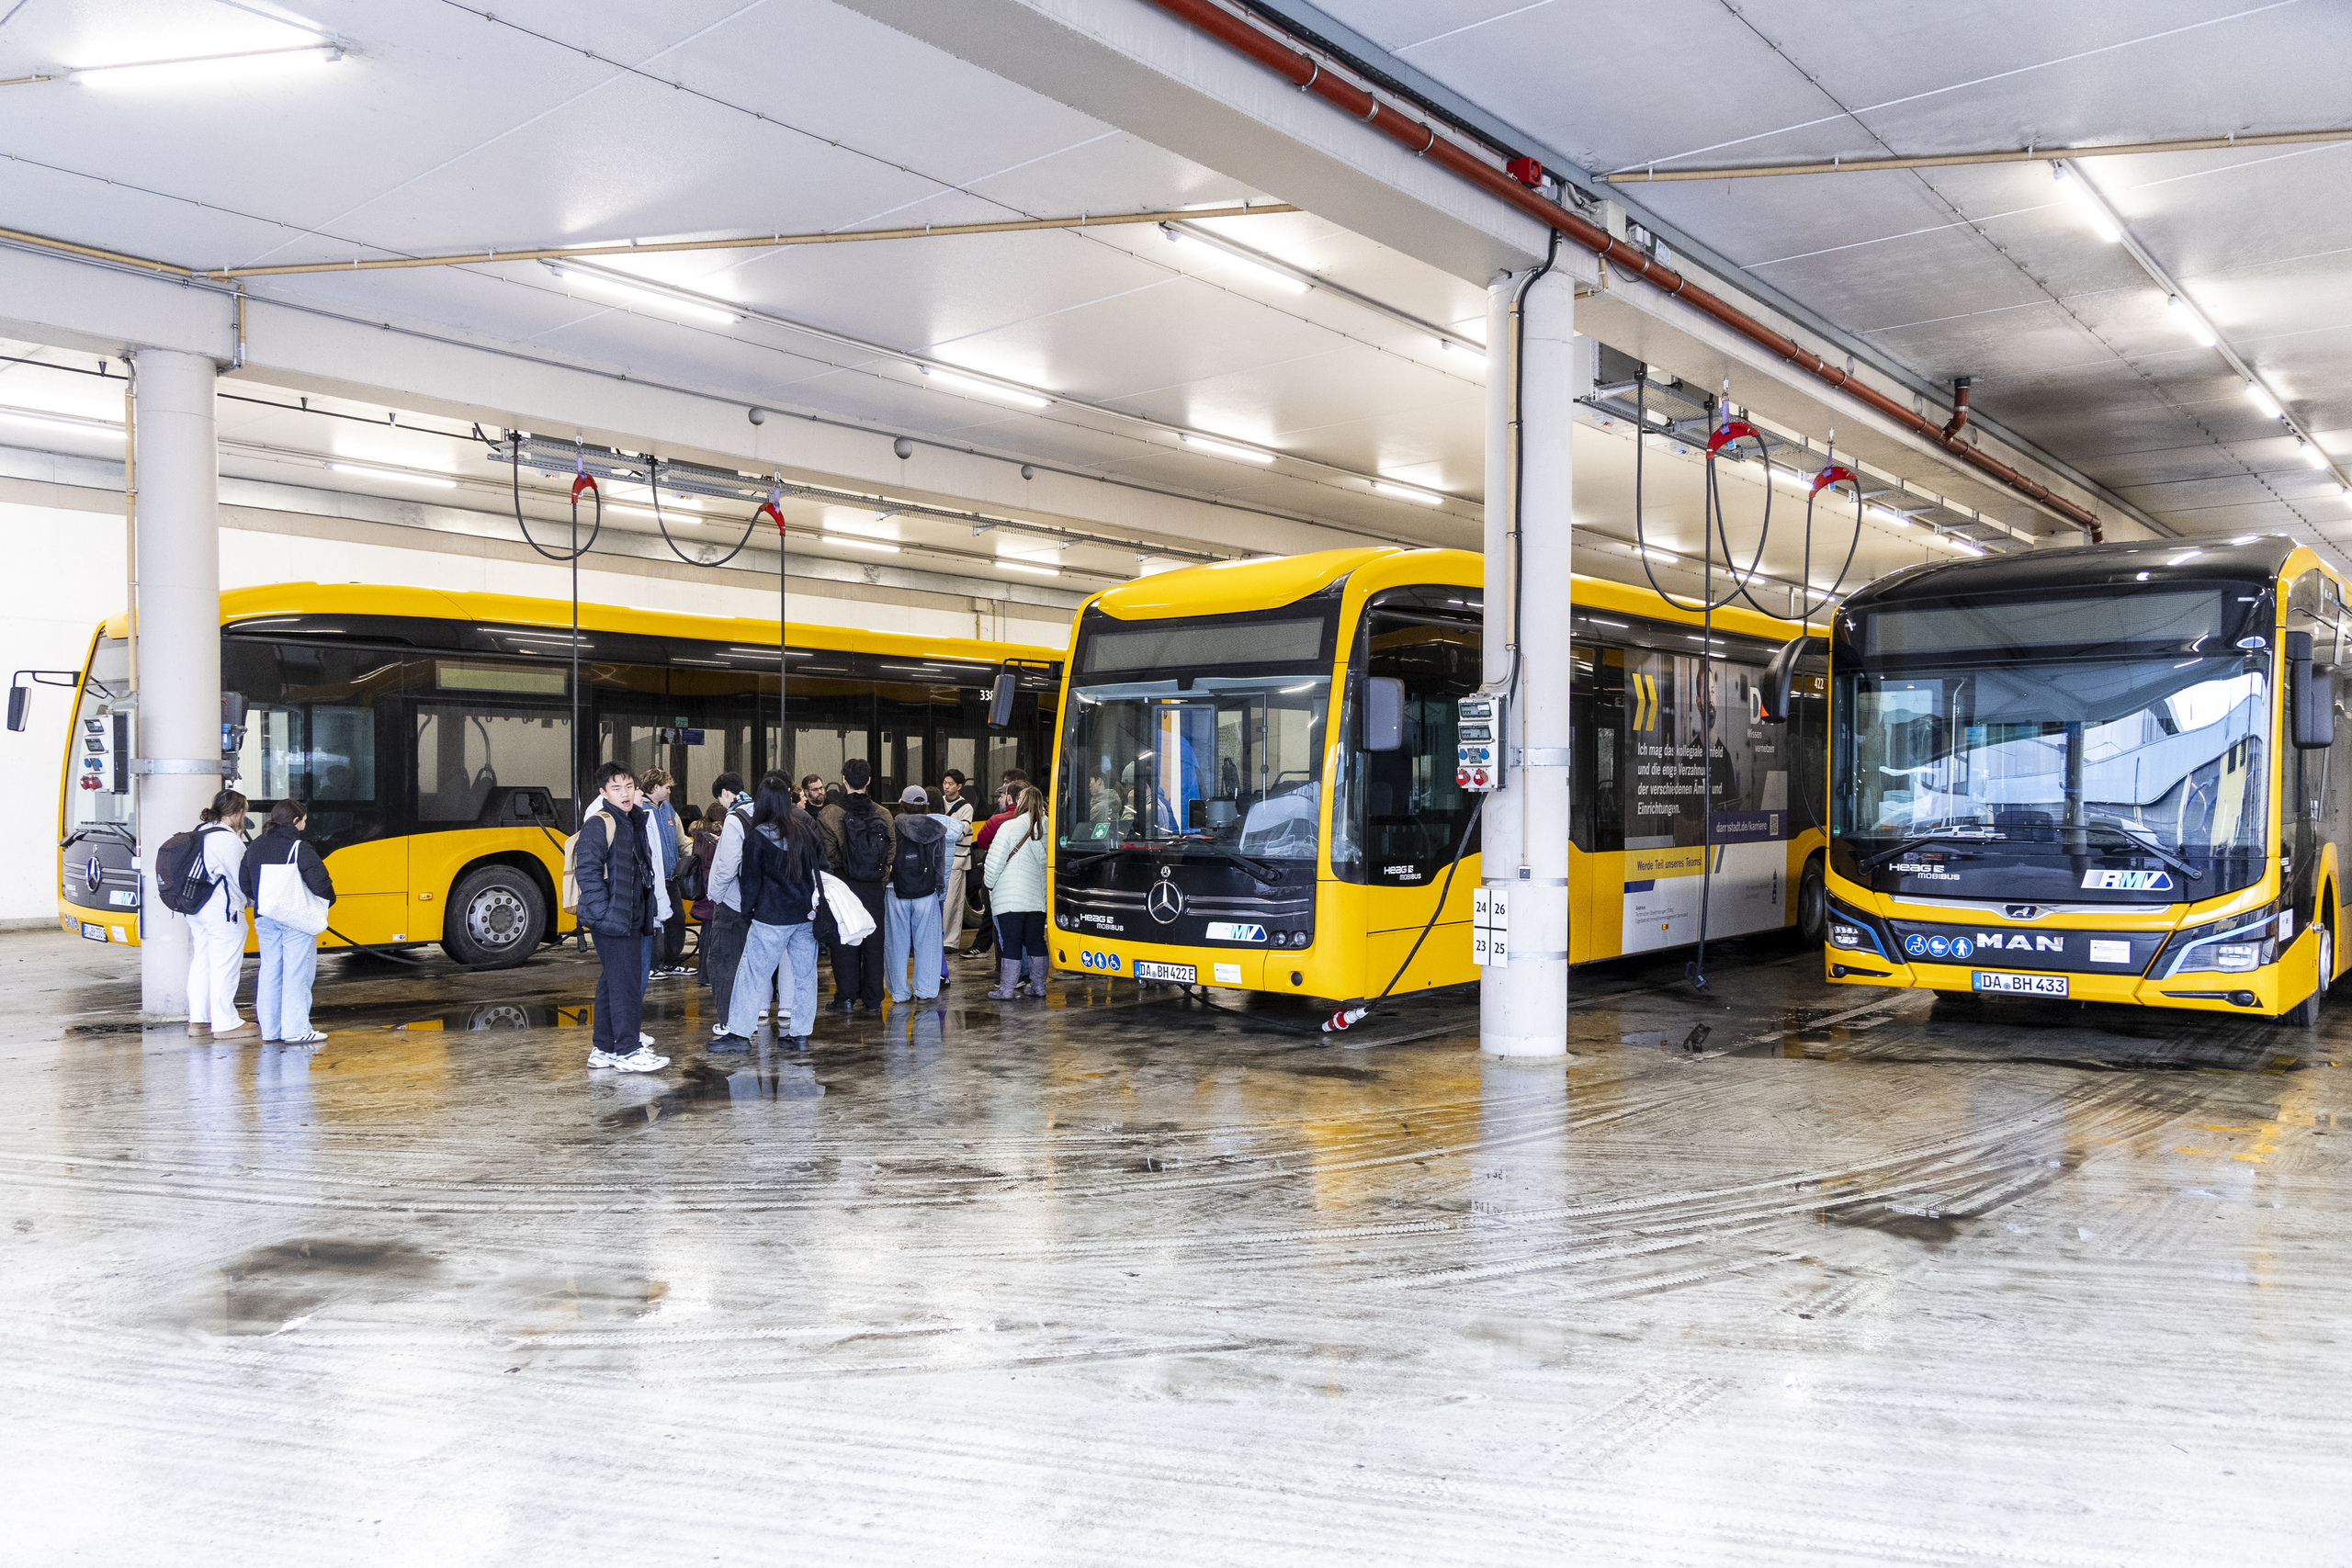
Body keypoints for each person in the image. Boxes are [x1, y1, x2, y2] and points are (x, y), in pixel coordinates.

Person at [712, 776, 824, 1051]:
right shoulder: (805, 831)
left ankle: (738, 1034)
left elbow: (750, 883)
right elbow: (822, 869)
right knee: (804, 975)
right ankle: (799, 1035)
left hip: (770, 917)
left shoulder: (758, 835)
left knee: (752, 974)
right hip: (805, 917)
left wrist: (748, 912)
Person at [575, 762, 668, 1073]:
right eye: (617, 788)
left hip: (632, 914)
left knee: (611, 982)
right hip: (613, 918)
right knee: (626, 983)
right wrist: (603, 913)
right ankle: (628, 1050)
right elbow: (587, 873)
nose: (625, 793)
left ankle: (602, 1049)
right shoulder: (599, 823)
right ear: (603, 793)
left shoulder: (631, 820)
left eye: (629, 786)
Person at [239, 799, 335, 1043]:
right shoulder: (298, 847)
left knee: (271, 972)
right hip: (295, 919)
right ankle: (297, 1030)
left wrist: (264, 901)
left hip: (266, 917)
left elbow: (245, 881)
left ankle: (271, 1031)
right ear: (295, 821)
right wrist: (326, 902)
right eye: (304, 819)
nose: (305, 823)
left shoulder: (257, 845)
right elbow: (320, 881)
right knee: (297, 974)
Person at [816, 758, 894, 1013]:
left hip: (843, 884)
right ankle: (873, 999)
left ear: (844, 780)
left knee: (845, 940)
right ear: (869, 780)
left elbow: (826, 854)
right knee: (873, 939)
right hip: (873, 886)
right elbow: (890, 851)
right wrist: (879, 877)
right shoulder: (883, 814)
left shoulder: (829, 813)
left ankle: (846, 998)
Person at [184, 790, 254, 1036]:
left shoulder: (200, 831)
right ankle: (226, 1023)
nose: (244, 818)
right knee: (225, 965)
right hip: (224, 912)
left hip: (196, 909)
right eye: (244, 812)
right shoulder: (227, 840)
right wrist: (256, 900)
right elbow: (242, 879)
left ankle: (199, 1021)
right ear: (237, 813)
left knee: (202, 962)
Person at [882, 784, 951, 1004]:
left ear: (902, 804)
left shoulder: (892, 825)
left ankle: (900, 993)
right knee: (928, 943)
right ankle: (926, 990)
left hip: (896, 890)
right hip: (926, 891)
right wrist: (939, 889)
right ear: (926, 807)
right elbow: (939, 863)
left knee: (896, 943)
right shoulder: (936, 828)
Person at [983, 784, 1050, 1000]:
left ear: (1020, 802)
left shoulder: (1009, 827)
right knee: (1036, 941)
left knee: (1011, 941)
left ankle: (1006, 990)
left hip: (1010, 898)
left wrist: (990, 884)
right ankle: (1039, 987)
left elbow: (994, 863)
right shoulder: (1050, 828)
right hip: (1037, 899)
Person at [700, 773, 752, 1028]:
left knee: (722, 962)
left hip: (732, 903)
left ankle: (730, 1023)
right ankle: (747, 1018)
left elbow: (729, 865)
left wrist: (715, 893)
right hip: (755, 902)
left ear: (725, 794)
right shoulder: (758, 812)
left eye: (719, 799)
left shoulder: (734, 817)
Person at [639, 768, 691, 977]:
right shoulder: (640, 810)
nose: (669, 791)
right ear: (654, 787)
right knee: (652, 923)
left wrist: (693, 857)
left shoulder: (668, 809)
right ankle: (650, 965)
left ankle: (671, 961)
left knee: (676, 920)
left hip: (671, 877)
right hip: (651, 880)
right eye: (666, 787)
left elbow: (681, 839)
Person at [966, 781, 1021, 961]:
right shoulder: (1038, 819)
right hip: (1022, 884)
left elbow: (982, 841)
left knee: (996, 918)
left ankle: (1002, 969)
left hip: (1001, 881)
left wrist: (988, 881)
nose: (998, 799)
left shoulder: (1000, 820)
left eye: (1002, 795)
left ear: (1011, 797)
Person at [940, 770, 975, 963]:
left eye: (950, 783)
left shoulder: (965, 807)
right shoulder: (939, 801)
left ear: (959, 786)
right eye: (945, 783)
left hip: (957, 859)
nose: (946, 786)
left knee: (952, 901)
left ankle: (950, 942)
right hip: (940, 858)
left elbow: (962, 831)